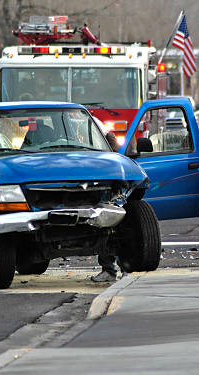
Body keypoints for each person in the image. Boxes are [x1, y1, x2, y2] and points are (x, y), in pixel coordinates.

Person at [90, 116, 121, 282]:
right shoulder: (94, 120)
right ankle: (117, 268)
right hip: (100, 178)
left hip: (100, 183)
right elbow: (114, 144)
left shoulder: (93, 122)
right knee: (109, 227)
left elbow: (113, 143)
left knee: (107, 227)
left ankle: (110, 269)